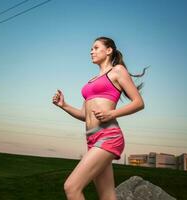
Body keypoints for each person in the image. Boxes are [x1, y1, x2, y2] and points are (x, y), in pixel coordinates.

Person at [52, 36, 147, 200]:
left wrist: (112, 113)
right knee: (107, 196)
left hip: (108, 136)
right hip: (92, 139)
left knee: (71, 187)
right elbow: (84, 115)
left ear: (109, 50)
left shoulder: (117, 71)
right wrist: (64, 105)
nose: (91, 51)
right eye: (91, 49)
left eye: (96, 48)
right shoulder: (91, 81)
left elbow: (139, 102)